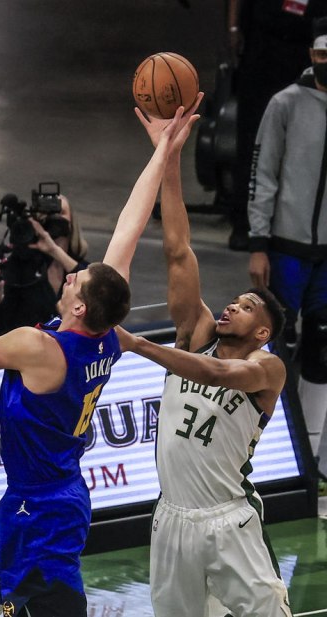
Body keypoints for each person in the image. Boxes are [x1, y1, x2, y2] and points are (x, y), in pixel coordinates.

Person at [0, 101, 201, 617]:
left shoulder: (40, 348)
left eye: (77, 279)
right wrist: (163, 150)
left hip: (45, 509)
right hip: (29, 498)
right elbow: (129, 224)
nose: (72, 273)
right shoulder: (106, 332)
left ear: (79, 306)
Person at [115, 98, 291, 617]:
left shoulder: (268, 368)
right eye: (234, 300)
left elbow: (216, 373)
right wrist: (168, 155)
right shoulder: (196, 334)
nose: (233, 305)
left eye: (247, 306)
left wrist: (140, 345)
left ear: (263, 332)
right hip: (171, 516)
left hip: (228, 518)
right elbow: (178, 249)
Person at [248, 17, 327, 477]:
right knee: (275, 346)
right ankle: (270, 454)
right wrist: (259, 242)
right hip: (287, 248)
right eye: (321, 54)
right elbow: (263, 175)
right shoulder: (285, 104)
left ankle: (313, 459)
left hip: (325, 256)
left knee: (322, 348)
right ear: (311, 55)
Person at [226, 0, 327, 251]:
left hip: (304, 46)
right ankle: (245, 224)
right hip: (264, 46)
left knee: (306, 144)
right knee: (253, 142)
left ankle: (297, 229)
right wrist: (233, 27)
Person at [0, 194, 89, 333]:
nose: (54, 217)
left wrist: (55, 251)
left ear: (72, 222)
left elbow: (96, 291)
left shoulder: (81, 268)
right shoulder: (22, 266)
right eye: (47, 214)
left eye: (60, 212)